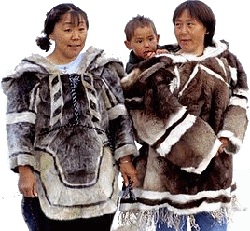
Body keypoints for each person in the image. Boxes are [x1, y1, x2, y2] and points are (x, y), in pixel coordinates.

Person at [1, 3, 138, 231]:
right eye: (68, 30)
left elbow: (119, 118)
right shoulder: (30, 75)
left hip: (100, 182)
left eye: (81, 29)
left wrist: (125, 160)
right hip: (48, 181)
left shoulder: (101, 69)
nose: (76, 37)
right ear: (51, 33)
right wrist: (24, 170)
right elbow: (18, 126)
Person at [118, 1, 248, 231]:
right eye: (178, 24)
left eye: (190, 24)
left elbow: (240, 99)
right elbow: (145, 117)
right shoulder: (161, 66)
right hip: (166, 175)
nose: (183, 31)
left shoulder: (225, 62)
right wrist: (205, 145)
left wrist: (227, 137)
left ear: (206, 28)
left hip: (213, 174)